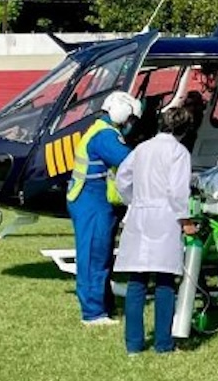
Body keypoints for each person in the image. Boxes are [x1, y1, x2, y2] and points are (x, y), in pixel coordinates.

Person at [113, 106, 196, 355]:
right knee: (164, 283)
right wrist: (186, 220)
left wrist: (134, 200)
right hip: (166, 217)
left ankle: (133, 345)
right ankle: (163, 343)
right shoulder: (178, 152)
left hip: (139, 214)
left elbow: (122, 179)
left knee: (136, 282)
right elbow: (178, 190)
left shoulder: (142, 148)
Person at [67, 90, 142, 326]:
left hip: (95, 199)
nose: (132, 125)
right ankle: (93, 313)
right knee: (93, 256)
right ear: (122, 114)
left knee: (101, 255)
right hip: (91, 200)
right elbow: (129, 162)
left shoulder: (101, 130)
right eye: (131, 119)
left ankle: (103, 306)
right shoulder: (106, 137)